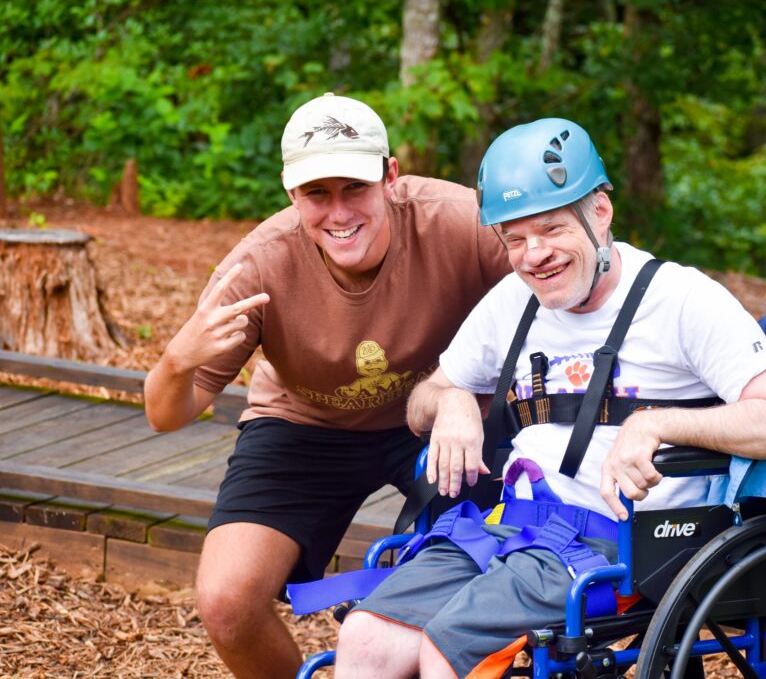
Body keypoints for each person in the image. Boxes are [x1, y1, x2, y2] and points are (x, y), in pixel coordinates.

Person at [333, 118, 766, 679]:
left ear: (600, 213)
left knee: (449, 652)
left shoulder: (683, 300)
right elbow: (426, 398)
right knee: (364, 638)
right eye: (514, 238)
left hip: (626, 546)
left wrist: (659, 425)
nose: (534, 255)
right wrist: (452, 400)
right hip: (507, 526)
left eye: (552, 229)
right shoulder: (513, 301)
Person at [142, 93, 510, 679]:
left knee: (473, 575)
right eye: (317, 193)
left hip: (441, 417)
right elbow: (165, 415)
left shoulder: (462, 222)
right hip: (306, 424)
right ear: (291, 194)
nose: (338, 212)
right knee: (227, 604)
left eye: (354, 188)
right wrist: (176, 362)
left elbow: (559, 288)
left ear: (389, 177)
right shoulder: (258, 266)